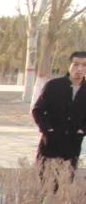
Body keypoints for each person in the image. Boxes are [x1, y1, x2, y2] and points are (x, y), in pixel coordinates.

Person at [32, 50, 86, 186]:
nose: (80, 69)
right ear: (69, 66)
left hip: (72, 145)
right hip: (50, 143)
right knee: (44, 184)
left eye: (84, 65)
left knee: (64, 184)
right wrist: (48, 129)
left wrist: (82, 130)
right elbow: (38, 110)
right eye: (76, 64)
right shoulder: (54, 85)